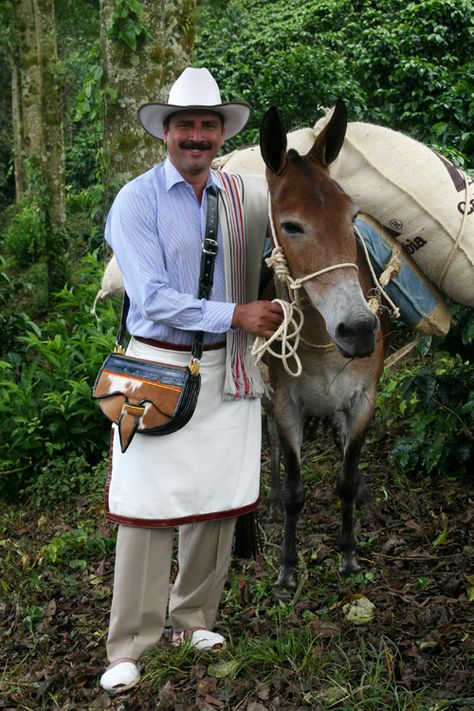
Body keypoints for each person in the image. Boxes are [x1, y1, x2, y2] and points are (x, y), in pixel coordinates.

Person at [99, 67, 283, 694]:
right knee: (145, 508)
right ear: (167, 133)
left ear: (221, 134)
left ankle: (195, 615)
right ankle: (131, 642)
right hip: (155, 364)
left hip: (228, 366)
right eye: (186, 126)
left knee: (215, 503)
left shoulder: (243, 196)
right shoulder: (137, 200)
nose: (197, 136)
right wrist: (237, 313)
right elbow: (149, 299)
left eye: (209, 125)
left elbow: (292, 225)